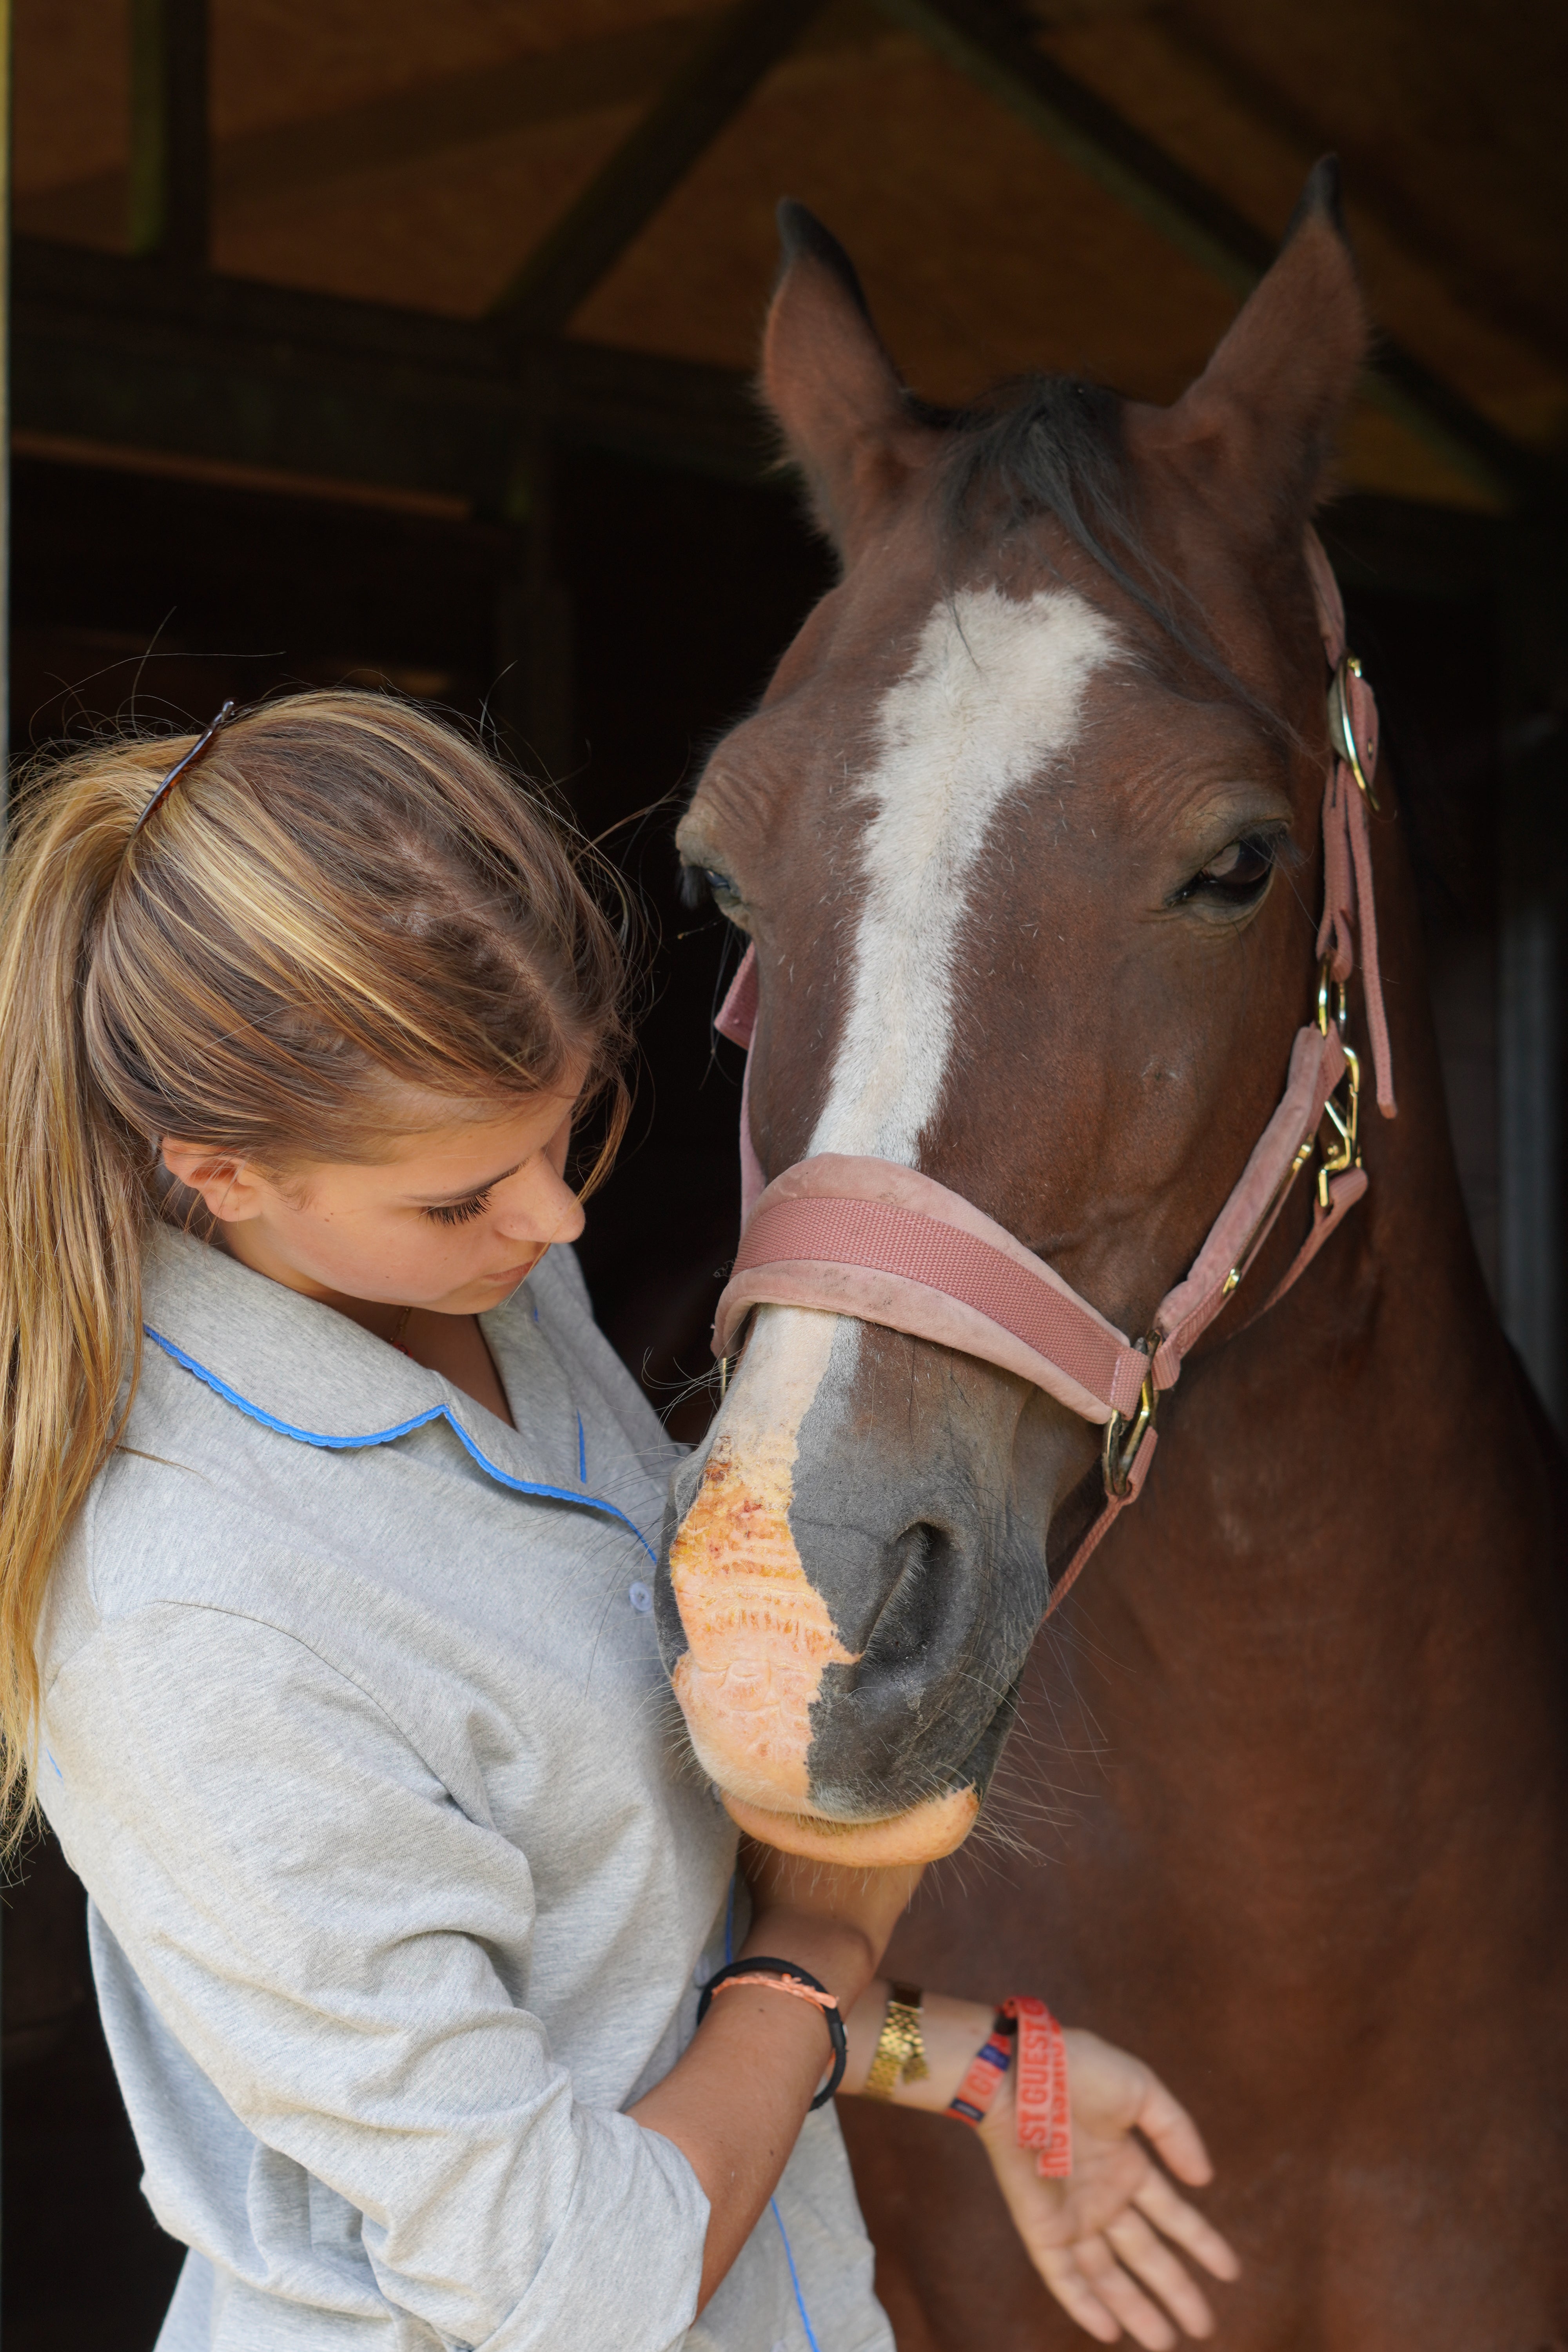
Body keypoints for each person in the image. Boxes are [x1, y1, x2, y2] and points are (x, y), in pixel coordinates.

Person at [0, 691, 1238, 2351]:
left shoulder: (486, 1292)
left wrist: (979, 2068)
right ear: (219, 1173)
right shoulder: (195, 1630)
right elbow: (568, 2283)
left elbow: (612, 1970)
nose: (559, 1213)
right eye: (463, 1193)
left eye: (568, 1130)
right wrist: (815, 1954)